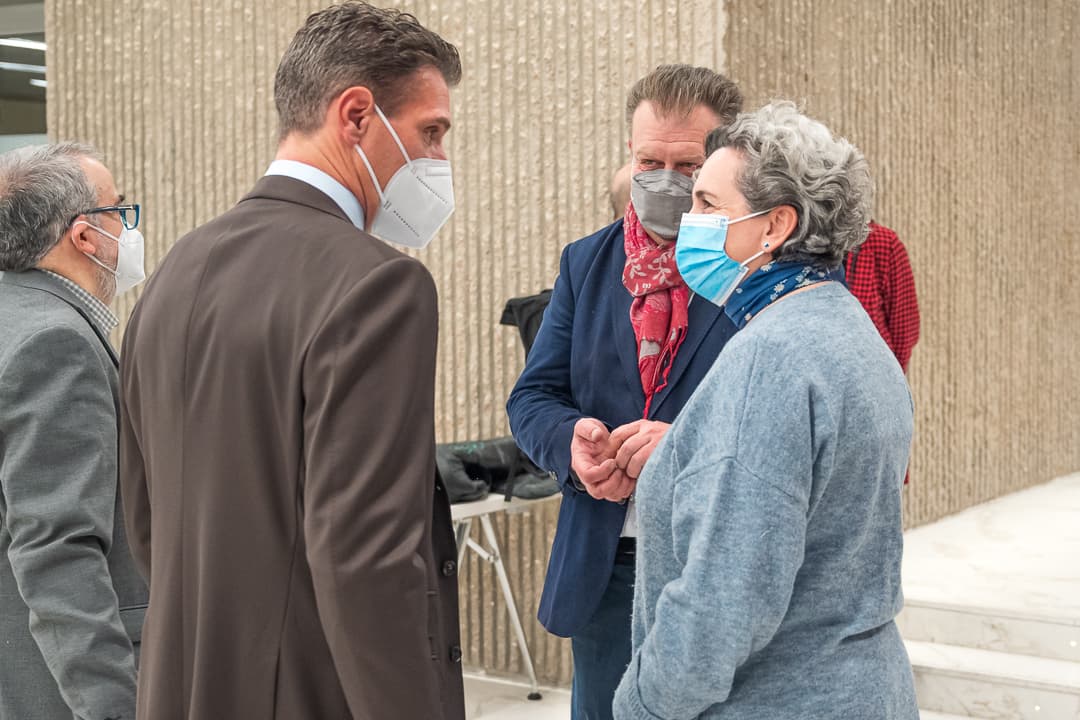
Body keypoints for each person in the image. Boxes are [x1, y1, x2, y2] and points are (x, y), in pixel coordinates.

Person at [118, 3, 465, 719]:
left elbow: (146, 517)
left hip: (183, 687)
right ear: (356, 115)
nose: (438, 160)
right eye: (431, 132)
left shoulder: (177, 270)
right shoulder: (378, 285)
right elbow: (365, 558)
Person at [612, 101, 918, 719]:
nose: (686, 220)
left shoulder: (770, 357)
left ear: (775, 225)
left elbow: (721, 603)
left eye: (707, 203)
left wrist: (640, 706)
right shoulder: (849, 328)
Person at [507, 64, 743, 719]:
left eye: (687, 165)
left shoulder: (758, 270)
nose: (665, 180)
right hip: (605, 565)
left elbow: (794, 420)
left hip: (717, 565)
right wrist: (573, 447)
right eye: (649, 160)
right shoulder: (587, 262)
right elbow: (534, 397)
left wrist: (687, 446)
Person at [0, 142, 148, 720]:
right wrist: (115, 708)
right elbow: (59, 550)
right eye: (120, 210)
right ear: (85, 236)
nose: (129, 227)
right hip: (54, 688)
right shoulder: (55, 344)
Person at [845, 221, 920, 372]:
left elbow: (903, 332)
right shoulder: (798, 246)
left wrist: (887, 381)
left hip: (870, 379)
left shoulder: (882, 244)